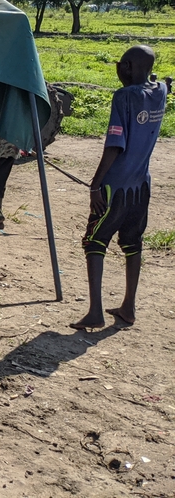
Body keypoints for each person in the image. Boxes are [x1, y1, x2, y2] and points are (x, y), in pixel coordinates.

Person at [71, 45, 167, 330]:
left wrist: (95, 185)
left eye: (119, 64)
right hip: (142, 186)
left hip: (116, 187)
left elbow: (115, 145)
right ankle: (128, 307)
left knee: (94, 242)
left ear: (125, 67)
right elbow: (162, 82)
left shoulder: (124, 97)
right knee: (132, 244)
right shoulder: (159, 90)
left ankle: (95, 313)